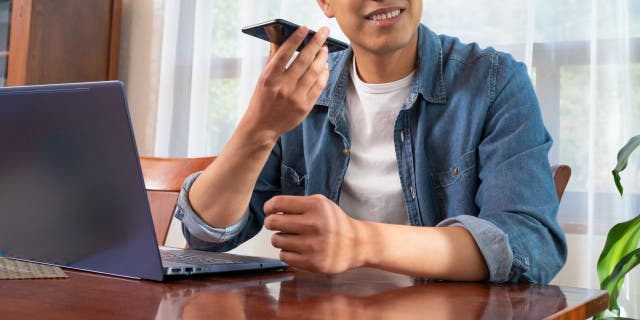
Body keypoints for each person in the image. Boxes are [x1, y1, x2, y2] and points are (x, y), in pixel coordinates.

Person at [174, 0, 567, 283]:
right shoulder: (302, 89)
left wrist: (360, 242)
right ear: (325, 3)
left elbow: (529, 243)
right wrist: (258, 128)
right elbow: (206, 234)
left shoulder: (495, 82)